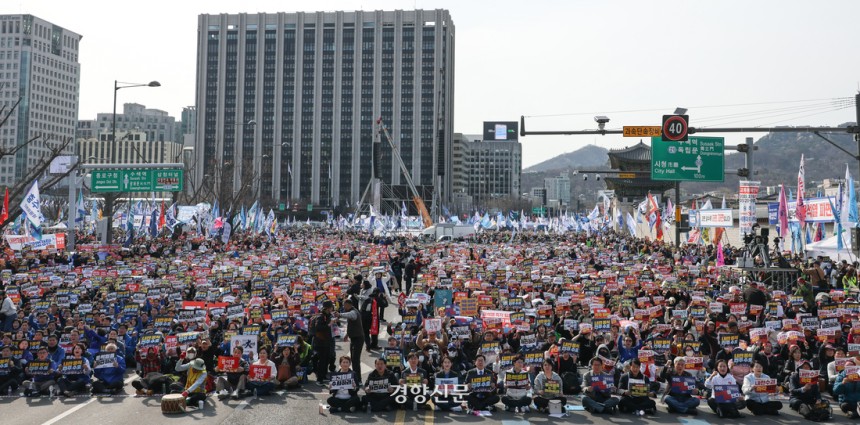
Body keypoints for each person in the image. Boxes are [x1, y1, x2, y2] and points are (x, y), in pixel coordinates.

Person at [312, 301, 336, 384]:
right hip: (320, 342)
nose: (332, 308)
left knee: (327, 359)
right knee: (322, 360)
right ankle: (319, 379)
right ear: (327, 308)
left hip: (327, 341)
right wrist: (329, 325)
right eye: (331, 307)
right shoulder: (321, 316)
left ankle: (324, 375)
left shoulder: (329, 315)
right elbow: (318, 327)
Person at [340, 299, 365, 377]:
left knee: (355, 360)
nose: (343, 307)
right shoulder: (352, 311)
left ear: (348, 305)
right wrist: (347, 334)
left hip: (358, 338)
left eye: (344, 305)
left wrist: (339, 315)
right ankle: (355, 376)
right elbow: (351, 325)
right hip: (354, 338)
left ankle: (358, 378)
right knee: (353, 359)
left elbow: (350, 315)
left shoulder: (353, 312)